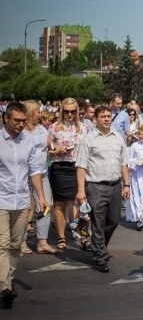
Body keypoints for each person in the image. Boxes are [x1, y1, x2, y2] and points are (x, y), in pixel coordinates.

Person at [0, 102, 48, 309]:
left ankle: (7, 281)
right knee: (2, 244)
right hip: (1, 200)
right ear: (6, 118)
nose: (21, 124)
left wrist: (41, 197)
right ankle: (5, 288)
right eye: (17, 120)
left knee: (14, 245)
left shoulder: (28, 140)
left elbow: (34, 169)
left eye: (24, 121)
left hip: (21, 201)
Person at [74, 105, 131, 274]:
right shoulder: (88, 139)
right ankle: (100, 257)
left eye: (108, 116)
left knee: (113, 221)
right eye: (103, 116)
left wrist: (127, 185)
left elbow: (124, 163)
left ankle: (99, 246)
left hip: (115, 186)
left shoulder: (118, 138)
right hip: (96, 186)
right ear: (95, 119)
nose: (106, 119)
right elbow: (81, 167)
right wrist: (81, 191)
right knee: (98, 223)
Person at [48, 97, 89, 251]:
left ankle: (82, 236)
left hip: (79, 168)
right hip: (60, 167)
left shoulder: (84, 128)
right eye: (66, 111)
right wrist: (57, 149)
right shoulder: (54, 127)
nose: (70, 114)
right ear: (61, 112)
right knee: (60, 204)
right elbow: (49, 147)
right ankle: (61, 238)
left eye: (73, 111)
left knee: (81, 203)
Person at [23, 100, 57, 254]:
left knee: (45, 206)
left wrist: (55, 148)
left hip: (42, 174)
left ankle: (42, 242)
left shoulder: (41, 129)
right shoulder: (20, 130)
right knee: (23, 209)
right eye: (38, 111)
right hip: (24, 175)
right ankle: (21, 241)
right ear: (31, 113)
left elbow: (50, 143)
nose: (40, 114)